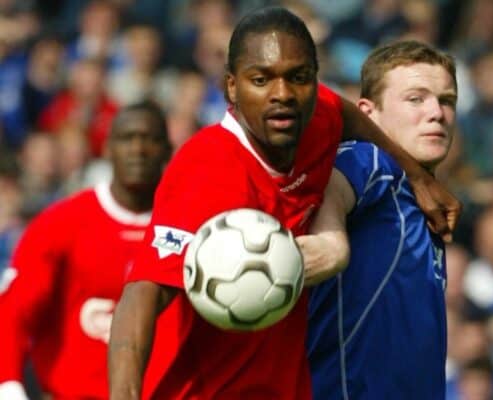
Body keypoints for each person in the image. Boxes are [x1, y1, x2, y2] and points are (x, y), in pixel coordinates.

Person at [108, 8, 460, 400]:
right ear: (231, 87)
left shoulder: (313, 120)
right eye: (260, 80)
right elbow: (142, 295)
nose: (282, 94)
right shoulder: (206, 169)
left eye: (299, 78)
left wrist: (417, 176)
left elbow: (341, 111)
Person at [303, 40, 458, 398]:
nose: (436, 112)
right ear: (368, 114)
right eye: (416, 99)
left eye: (446, 100)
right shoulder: (370, 162)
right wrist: (330, 241)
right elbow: (332, 191)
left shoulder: (426, 206)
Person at [0, 101, 172, 400]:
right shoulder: (60, 223)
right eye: (127, 138)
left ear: (168, 150)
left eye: (150, 139)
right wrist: (9, 386)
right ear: (106, 149)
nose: (138, 149)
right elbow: (12, 312)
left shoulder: (185, 228)